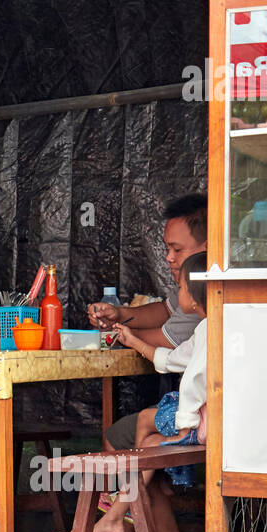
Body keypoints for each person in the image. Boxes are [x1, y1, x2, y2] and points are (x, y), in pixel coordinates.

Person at [85, 251, 209, 532]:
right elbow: (171, 360)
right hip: (204, 419)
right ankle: (121, 511)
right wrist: (131, 339)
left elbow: (194, 383)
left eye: (180, 288)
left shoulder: (211, 331)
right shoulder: (208, 329)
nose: (176, 295)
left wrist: (184, 426)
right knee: (150, 444)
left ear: (195, 296)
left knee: (144, 422)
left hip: (204, 422)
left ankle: (123, 507)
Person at [87, 193, 207, 452]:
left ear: (208, 247)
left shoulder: (203, 302)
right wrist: (118, 316)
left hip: (206, 417)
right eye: (167, 248)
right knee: (147, 439)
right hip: (204, 413)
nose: (168, 258)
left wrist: (122, 335)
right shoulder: (195, 294)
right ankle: (149, 492)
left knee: (117, 436)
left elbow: (164, 344)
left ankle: (129, 492)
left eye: (177, 249)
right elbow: (164, 310)